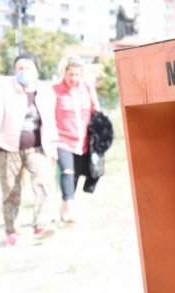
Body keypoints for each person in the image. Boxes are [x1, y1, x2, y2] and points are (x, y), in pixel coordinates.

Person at [0, 51, 58, 246]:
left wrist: (53, 145)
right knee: (11, 190)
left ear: (36, 70)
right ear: (14, 71)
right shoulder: (4, 88)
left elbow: (50, 120)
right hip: (8, 147)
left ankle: (41, 225)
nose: (23, 71)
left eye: (27, 67)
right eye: (19, 68)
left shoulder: (45, 91)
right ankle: (12, 231)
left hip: (37, 147)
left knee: (44, 182)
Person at [52, 56, 100, 223]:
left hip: (83, 141)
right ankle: (71, 210)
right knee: (67, 171)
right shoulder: (55, 90)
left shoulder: (87, 89)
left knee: (75, 176)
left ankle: (64, 208)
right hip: (62, 140)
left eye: (76, 74)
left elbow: (96, 111)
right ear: (64, 73)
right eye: (70, 74)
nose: (73, 78)